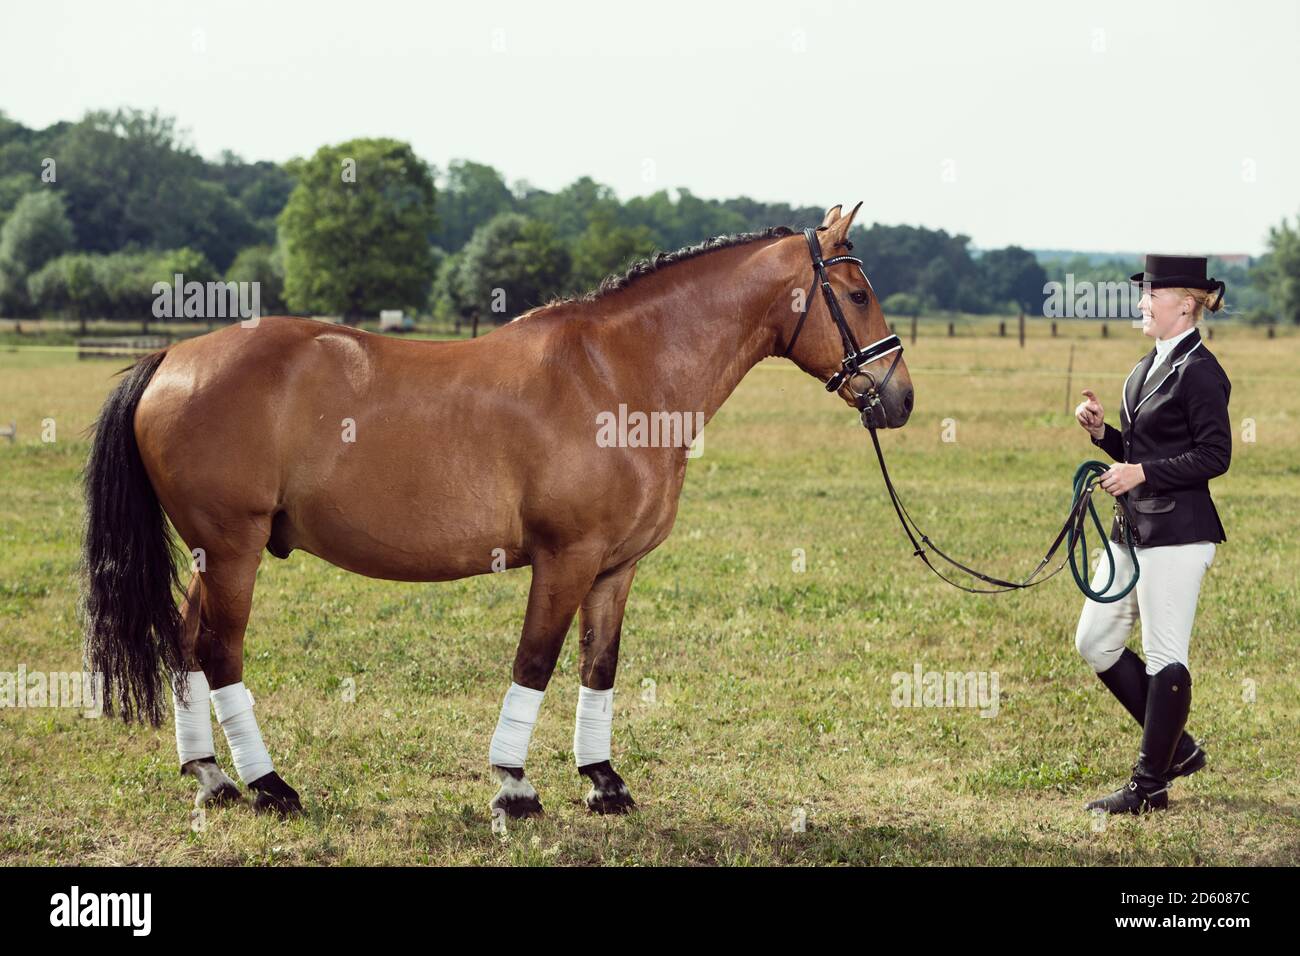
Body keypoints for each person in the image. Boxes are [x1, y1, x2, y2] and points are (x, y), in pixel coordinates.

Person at [1072, 254, 1232, 814]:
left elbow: (1216, 455)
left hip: (1180, 534)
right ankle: (1179, 748)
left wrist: (1141, 473)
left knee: (1166, 654)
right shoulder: (1146, 365)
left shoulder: (1202, 372)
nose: (1142, 301)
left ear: (1184, 304)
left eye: (1151, 294)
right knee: (1094, 641)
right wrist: (1103, 436)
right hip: (1132, 527)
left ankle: (1150, 786)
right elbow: (1143, 451)